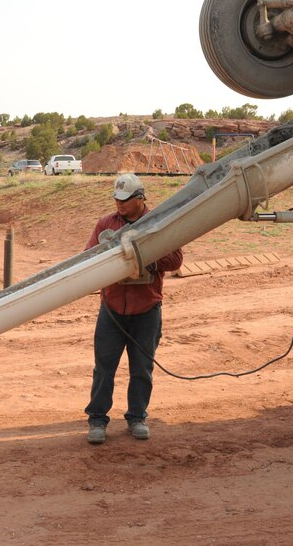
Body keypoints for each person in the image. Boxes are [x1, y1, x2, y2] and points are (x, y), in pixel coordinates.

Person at [84, 173, 183, 444]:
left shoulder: (158, 223)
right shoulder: (106, 224)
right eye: (117, 199)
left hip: (147, 308)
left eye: (126, 200)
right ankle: (97, 419)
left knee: (142, 368)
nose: (120, 205)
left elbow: (175, 258)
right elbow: (89, 255)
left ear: (140, 199)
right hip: (112, 308)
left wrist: (146, 257)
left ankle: (137, 417)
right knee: (104, 367)